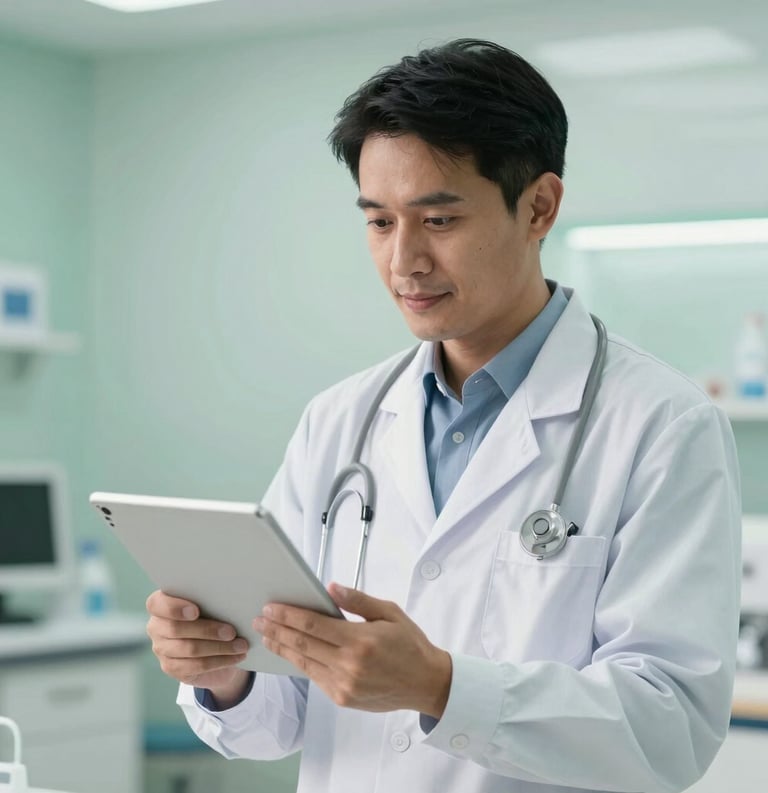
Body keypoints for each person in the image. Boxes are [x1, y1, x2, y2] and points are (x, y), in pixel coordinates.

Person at [145, 39, 741, 793]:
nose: (404, 263)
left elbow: (670, 728)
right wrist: (226, 670)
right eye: (380, 222)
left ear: (539, 206)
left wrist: (442, 686)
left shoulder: (662, 426)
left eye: (439, 219)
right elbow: (280, 717)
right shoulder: (340, 421)